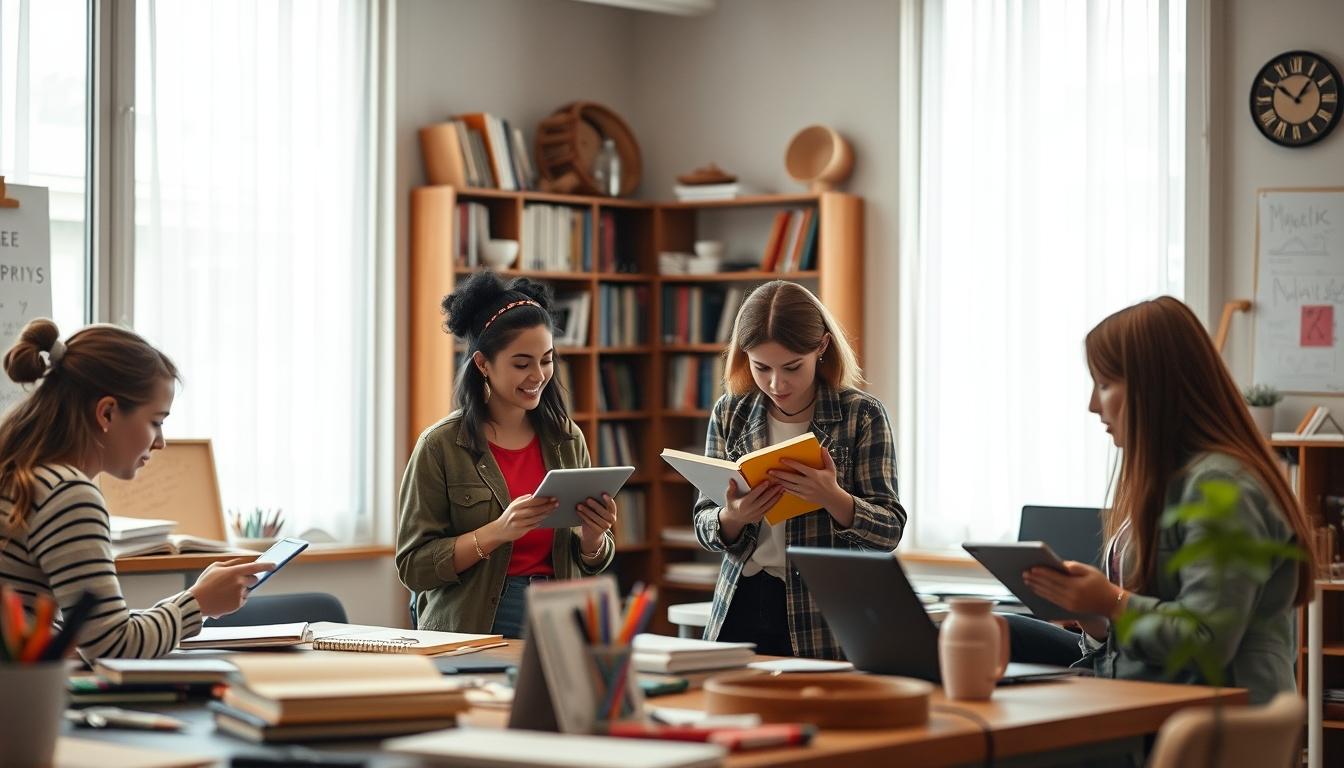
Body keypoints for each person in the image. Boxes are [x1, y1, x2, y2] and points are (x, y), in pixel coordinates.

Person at [1012, 296, 1315, 705]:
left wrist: (1111, 601)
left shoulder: (1220, 489)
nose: (1092, 405)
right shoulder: (1178, 483)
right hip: (1159, 714)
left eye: (1104, 384)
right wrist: (1094, 617)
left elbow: (1207, 640)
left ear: (1153, 388)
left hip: (1207, 730)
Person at [0, 320, 272, 659]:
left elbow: (92, 633)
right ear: (108, 412)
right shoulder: (67, 495)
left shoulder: (21, 476)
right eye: (156, 421)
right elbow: (113, 646)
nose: (161, 442)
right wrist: (198, 603)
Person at [693, 280, 905, 659]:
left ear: (821, 347)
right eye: (761, 367)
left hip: (823, 610)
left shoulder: (861, 415)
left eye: (792, 367)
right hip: (740, 600)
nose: (777, 383)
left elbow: (890, 530)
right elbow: (704, 525)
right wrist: (733, 516)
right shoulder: (731, 412)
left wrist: (833, 498)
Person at [396, 272, 617, 637]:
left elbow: (590, 560)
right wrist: (498, 532)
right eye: (521, 363)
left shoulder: (567, 439)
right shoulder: (440, 446)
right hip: (475, 621)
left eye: (546, 360)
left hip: (562, 614)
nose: (538, 376)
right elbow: (413, 567)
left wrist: (595, 537)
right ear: (483, 364)